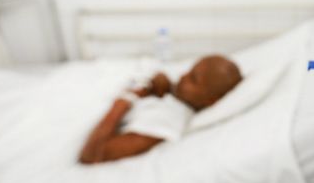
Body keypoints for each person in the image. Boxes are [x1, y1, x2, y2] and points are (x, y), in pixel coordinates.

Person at [79, 55, 243, 164]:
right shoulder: (176, 96)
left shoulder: (168, 120)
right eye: (189, 70)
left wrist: (124, 101)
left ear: (211, 100)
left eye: (193, 79)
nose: (183, 76)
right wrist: (160, 87)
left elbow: (92, 155)